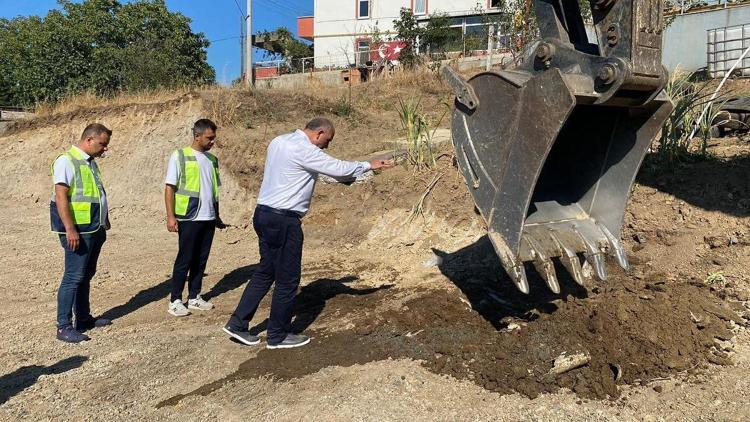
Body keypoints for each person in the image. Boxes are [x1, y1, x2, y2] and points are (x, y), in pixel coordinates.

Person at [223, 117, 395, 349]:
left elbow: (307, 173)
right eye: (327, 140)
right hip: (284, 220)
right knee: (287, 279)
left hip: (263, 214)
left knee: (266, 271)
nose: (327, 145)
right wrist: (369, 165)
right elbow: (337, 167)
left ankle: (237, 323)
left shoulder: (279, 141)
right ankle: (278, 335)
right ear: (319, 133)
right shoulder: (303, 149)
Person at [51, 123, 113, 343]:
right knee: (73, 277)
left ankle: (84, 318)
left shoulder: (90, 163)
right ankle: (63, 326)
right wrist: (70, 229)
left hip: (94, 228)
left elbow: (95, 194)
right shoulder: (66, 161)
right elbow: (61, 197)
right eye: (102, 144)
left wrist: (104, 220)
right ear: (89, 140)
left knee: (86, 275)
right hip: (78, 230)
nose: (105, 148)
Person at [164, 119, 226, 317]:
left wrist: (217, 215)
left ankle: (194, 297)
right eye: (209, 138)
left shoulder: (212, 160)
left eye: (214, 138)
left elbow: (213, 191)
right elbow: (170, 188)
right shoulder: (180, 156)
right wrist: (170, 216)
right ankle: (175, 300)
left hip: (208, 217)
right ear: (197, 136)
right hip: (189, 217)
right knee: (185, 259)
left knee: (201, 259)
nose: (212, 142)